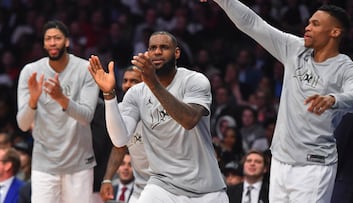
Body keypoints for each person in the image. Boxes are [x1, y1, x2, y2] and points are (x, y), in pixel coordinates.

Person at [209, 0, 353, 202]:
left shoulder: (346, 68)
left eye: (315, 24)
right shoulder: (294, 49)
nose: (307, 27)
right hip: (280, 160)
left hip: (314, 165)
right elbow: (252, 23)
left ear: (334, 32)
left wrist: (335, 99)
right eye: (308, 23)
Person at [88, 31, 228, 202]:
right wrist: (108, 94)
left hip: (207, 189)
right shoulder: (136, 94)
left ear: (177, 53)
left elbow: (189, 120)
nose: (157, 52)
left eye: (164, 47)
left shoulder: (194, 81)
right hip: (163, 186)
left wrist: (153, 83)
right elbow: (120, 140)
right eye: (152, 48)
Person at [16, 20, 99, 203]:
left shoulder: (85, 69)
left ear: (67, 42)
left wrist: (61, 98)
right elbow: (22, 124)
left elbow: (86, 117)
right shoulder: (30, 71)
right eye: (48, 39)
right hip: (44, 164)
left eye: (57, 38)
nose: (53, 43)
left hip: (79, 163)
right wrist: (33, 100)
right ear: (44, 44)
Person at [100, 65, 148, 203]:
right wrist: (108, 178)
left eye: (134, 81)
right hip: (140, 183)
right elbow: (119, 146)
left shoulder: (156, 107)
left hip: (166, 182)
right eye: (125, 80)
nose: (128, 85)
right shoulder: (119, 109)